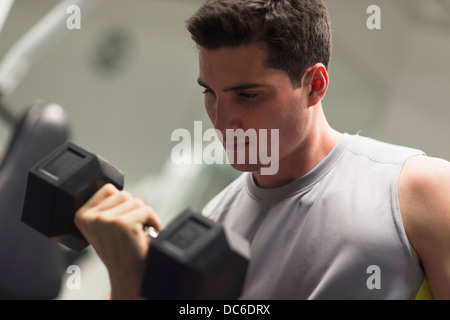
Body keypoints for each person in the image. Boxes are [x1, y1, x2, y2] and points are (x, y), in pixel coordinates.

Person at [74, 0, 450, 299]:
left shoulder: (419, 190)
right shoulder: (214, 222)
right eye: (210, 93)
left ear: (315, 85)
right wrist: (126, 278)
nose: (222, 121)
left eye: (248, 95)